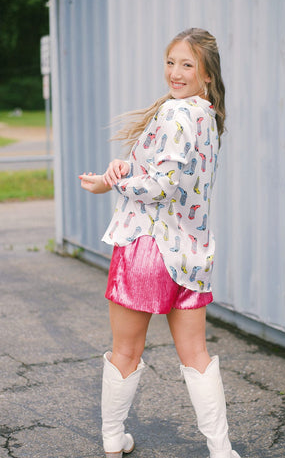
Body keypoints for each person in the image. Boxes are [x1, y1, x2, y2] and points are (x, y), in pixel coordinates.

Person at [79, 28, 241, 458]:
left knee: (126, 350)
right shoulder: (208, 117)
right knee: (197, 355)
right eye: (171, 62)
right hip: (192, 250)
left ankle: (113, 439)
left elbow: (163, 184)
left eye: (186, 64)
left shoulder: (174, 115)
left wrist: (109, 186)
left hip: (146, 246)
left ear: (207, 73)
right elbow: (168, 171)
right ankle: (221, 450)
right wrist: (122, 168)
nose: (175, 71)